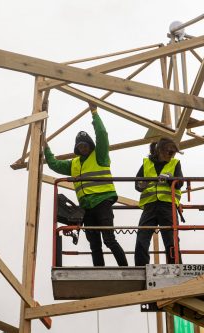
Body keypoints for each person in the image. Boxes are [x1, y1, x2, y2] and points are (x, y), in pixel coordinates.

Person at [44, 103, 128, 267]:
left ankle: (126, 269)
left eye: (85, 145)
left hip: (102, 202)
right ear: (76, 148)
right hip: (87, 208)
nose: (83, 148)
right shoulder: (74, 164)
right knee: (94, 244)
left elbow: (102, 134)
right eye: (79, 146)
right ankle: (100, 271)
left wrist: (94, 112)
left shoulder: (100, 155)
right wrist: (45, 147)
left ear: (90, 145)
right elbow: (54, 164)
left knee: (109, 240)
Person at [134, 137, 183, 266]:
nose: (172, 155)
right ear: (160, 151)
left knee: (171, 241)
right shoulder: (146, 163)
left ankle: (176, 267)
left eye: (173, 153)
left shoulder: (175, 163)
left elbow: (179, 184)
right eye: (169, 152)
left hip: (167, 206)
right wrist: (141, 185)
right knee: (141, 239)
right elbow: (137, 184)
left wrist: (170, 179)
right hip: (150, 206)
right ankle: (141, 267)